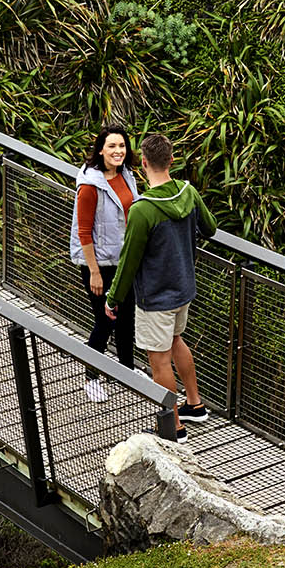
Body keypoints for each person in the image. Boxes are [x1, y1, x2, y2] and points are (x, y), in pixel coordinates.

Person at [105, 132, 218, 439]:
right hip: (183, 288)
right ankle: (195, 405)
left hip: (156, 297)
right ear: (171, 160)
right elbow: (210, 228)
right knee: (176, 340)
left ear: (142, 164)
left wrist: (113, 297)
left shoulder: (143, 210)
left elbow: (129, 260)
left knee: (159, 361)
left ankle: (172, 427)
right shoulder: (188, 192)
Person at [70, 124, 136, 401]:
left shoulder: (127, 175)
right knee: (105, 321)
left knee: (127, 320)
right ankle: (91, 377)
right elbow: (83, 232)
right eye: (112, 146)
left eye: (122, 146)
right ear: (100, 150)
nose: (118, 151)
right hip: (99, 265)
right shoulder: (90, 186)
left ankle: (127, 372)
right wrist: (94, 272)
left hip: (124, 262)